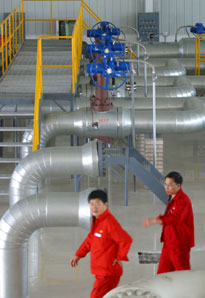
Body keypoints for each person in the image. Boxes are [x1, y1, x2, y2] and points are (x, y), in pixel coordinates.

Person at [70, 189, 133, 298]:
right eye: (92, 204)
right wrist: (78, 254)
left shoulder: (109, 223)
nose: (94, 207)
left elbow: (125, 239)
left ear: (106, 205)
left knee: (96, 296)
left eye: (98, 204)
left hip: (108, 272)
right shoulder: (97, 221)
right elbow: (90, 240)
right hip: (101, 271)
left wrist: (119, 257)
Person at [142, 171, 194, 274]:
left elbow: (176, 218)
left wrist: (156, 220)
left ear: (178, 185)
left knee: (182, 273)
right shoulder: (172, 197)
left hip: (179, 244)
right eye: (165, 184)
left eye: (170, 185)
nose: (166, 187)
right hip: (169, 242)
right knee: (162, 273)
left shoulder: (183, 200)